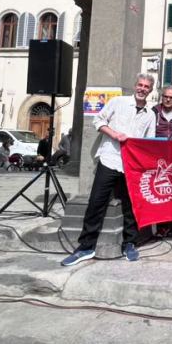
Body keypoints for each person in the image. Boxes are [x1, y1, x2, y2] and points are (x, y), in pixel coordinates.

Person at [61, 73, 156, 266]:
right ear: (135, 85)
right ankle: (86, 247)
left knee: (132, 207)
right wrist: (115, 134)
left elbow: (149, 142)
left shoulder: (151, 114)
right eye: (140, 85)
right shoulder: (118, 102)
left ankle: (129, 243)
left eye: (146, 87)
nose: (142, 89)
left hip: (132, 166)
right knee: (96, 202)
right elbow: (98, 121)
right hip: (110, 160)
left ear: (150, 90)